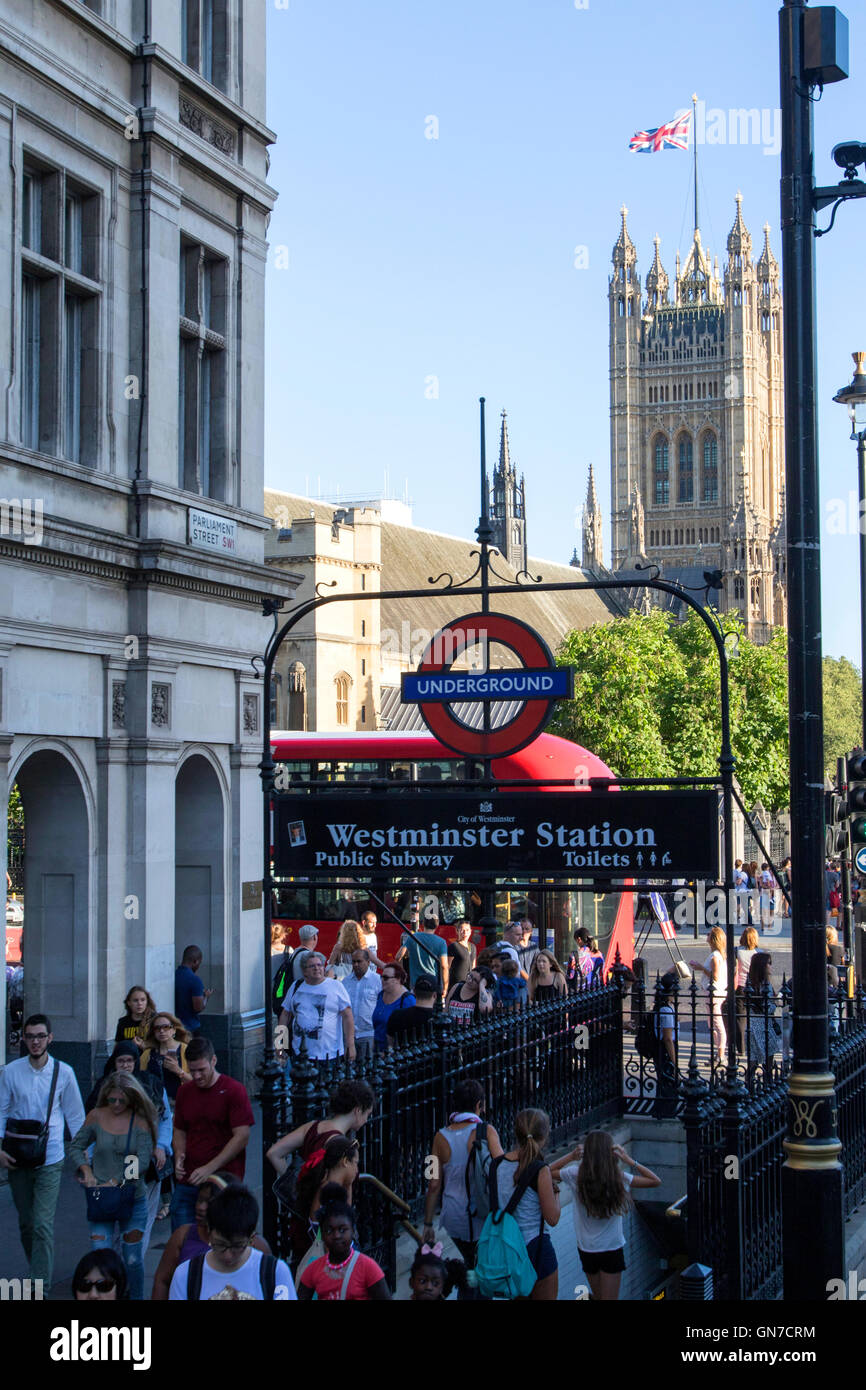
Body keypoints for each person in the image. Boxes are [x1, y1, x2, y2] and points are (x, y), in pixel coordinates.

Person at [0, 1013, 86, 1287]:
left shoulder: (64, 1072)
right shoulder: (11, 1071)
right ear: (23, 1039)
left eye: (40, 1036)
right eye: (30, 1036)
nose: (35, 1042)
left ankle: (39, 1288)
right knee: (27, 1224)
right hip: (16, 1157)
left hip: (50, 1157)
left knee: (41, 1224)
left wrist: (84, 1159)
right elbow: (0, 1111)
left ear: (50, 1038)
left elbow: (76, 1117)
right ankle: (37, 1268)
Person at [68, 1072, 157, 1300]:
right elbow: (76, 1147)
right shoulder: (96, 1117)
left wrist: (116, 1182)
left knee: (132, 1258)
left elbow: (143, 1160)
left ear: (131, 1098)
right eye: (112, 1100)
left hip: (133, 1199)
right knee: (100, 1254)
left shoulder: (140, 1120)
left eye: (122, 1100)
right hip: (101, 1200)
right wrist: (86, 1170)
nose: (116, 1105)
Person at [551, 1130, 661, 1300]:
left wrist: (571, 1156)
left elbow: (548, 1171)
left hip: (586, 1248)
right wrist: (629, 1160)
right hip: (611, 1248)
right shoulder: (618, 1178)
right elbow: (655, 1181)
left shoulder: (575, 1174)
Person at [84, 1041, 172, 1249]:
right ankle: (111, 1268)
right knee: (108, 1219)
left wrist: (161, 1145)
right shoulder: (103, 1089)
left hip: (145, 1164)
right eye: (121, 1060)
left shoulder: (152, 1084)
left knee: (140, 1223)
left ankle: (131, 1266)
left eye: (129, 1060)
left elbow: (166, 1117)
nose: (125, 1065)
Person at [170, 1037, 254, 1231]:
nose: (197, 1076)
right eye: (192, 1070)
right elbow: (180, 1130)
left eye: (202, 1070)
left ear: (213, 1061)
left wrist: (209, 1168)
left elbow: (242, 1136)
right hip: (189, 1179)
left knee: (220, 1237)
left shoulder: (234, 1091)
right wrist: (179, 1157)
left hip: (223, 1182)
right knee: (182, 1239)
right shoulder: (185, 1092)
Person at [423, 1078, 503, 1274]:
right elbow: (502, 1169)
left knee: (471, 1264)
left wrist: (427, 1223)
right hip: (481, 1214)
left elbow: (433, 1183)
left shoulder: (439, 1137)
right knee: (481, 1269)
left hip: (453, 1216)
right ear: (478, 1105)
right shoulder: (487, 1131)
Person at [153, 1172, 268, 1298]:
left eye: (209, 1202)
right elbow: (162, 1281)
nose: (200, 1207)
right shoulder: (182, 1236)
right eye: (199, 1200)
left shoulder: (257, 1245)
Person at [169, 1184, 295, 1300]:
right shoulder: (187, 1275)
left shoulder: (274, 1272)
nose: (228, 1255)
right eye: (220, 1244)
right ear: (209, 1231)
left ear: (251, 1238)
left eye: (237, 1246)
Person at [492, 1108, 560, 1300]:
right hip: (536, 1248)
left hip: (507, 1248)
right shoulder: (540, 1169)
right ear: (544, 1135)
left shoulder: (496, 1165)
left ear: (516, 1132)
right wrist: (556, 1193)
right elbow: (552, 1218)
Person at [267, 1078, 375, 1176]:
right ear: (358, 1110)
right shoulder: (342, 1145)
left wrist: (296, 1185)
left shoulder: (311, 1126)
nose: (366, 1120)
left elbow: (274, 1153)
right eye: (367, 1114)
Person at [297, 1187, 390, 1300]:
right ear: (322, 1233)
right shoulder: (313, 1270)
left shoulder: (368, 1267)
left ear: (353, 1231)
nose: (336, 1236)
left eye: (342, 1230)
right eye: (329, 1230)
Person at [278, 952, 356, 1061]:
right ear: (304, 971)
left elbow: (348, 1016)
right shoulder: (296, 986)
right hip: (300, 1054)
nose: (317, 968)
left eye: (319, 965)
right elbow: (285, 1015)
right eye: (312, 966)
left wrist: (350, 1045)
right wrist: (279, 1043)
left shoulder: (335, 986)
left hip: (329, 1055)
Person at [690, 926, 727, 1066]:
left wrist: (700, 968)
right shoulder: (717, 954)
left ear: (713, 939)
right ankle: (718, 1052)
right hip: (714, 993)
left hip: (714, 993)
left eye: (709, 934)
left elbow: (715, 977)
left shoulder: (715, 956)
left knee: (717, 1024)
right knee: (712, 1023)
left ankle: (721, 1055)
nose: (706, 935)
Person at [139, 1012, 192, 1101]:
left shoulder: (186, 1050)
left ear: (174, 1030)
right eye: (157, 1028)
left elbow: (197, 1081)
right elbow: (140, 1080)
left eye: (166, 1027)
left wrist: (178, 1071)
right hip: (156, 1104)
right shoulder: (148, 1053)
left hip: (181, 1102)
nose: (161, 1031)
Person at [342, 948, 382, 1059]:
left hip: (369, 1034)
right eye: (353, 961)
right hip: (349, 1036)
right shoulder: (346, 982)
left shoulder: (377, 981)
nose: (355, 965)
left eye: (359, 961)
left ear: (368, 962)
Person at [744, 951, 780, 1074]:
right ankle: (767, 1086)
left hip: (752, 1026)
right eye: (768, 963)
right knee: (768, 1062)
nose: (771, 966)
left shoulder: (750, 983)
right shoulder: (765, 985)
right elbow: (767, 1009)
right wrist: (776, 1003)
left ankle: (751, 1087)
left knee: (753, 1062)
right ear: (762, 966)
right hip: (763, 1026)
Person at [395, 916, 449, 997]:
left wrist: (403, 973)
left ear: (423, 924)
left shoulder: (412, 937)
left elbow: (398, 957)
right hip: (433, 985)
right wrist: (445, 988)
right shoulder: (441, 942)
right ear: (437, 925)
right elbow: (444, 966)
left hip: (415, 984)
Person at [371, 963, 415, 1051]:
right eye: (381, 977)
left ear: (398, 979)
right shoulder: (381, 995)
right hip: (378, 1050)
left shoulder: (407, 1000)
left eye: (386, 978)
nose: (382, 980)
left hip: (396, 1053)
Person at [388, 973, 438, 1042]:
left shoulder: (396, 1015)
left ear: (414, 992)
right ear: (435, 995)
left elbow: (390, 1042)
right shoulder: (440, 1021)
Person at [175, 946, 212, 1034]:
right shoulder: (195, 980)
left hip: (175, 1026)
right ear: (196, 961)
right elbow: (198, 1008)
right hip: (191, 1026)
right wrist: (206, 997)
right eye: (199, 963)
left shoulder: (173, 976)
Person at [734, 926, 759, 1054]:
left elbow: (733, 969)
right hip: (754, 986)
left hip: (740, 985)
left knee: (740, 1018)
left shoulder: (737, 951)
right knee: (754, 1016)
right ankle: (755, 1045)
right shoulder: (757, 953)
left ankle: (741, 1047)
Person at [114, 986, 157, 1050]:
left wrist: (145, 1045)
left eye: (143, 1000)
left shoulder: (155, 1019)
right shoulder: (123, 1022)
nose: (139, 1003)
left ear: (147, 1002)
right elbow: (118, 1046)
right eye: (135, 1000)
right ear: (129, 1003)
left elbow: (162, 1042)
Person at [447, 921, 477, 986]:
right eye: (462, 930)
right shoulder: (453, 946)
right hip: (455, 984)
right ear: (457, 931)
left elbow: (473, 966)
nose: (465, 933)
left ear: (470, 931)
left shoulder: (473, 947)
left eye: (467, 930)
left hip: (468, 984)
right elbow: (447, 967)